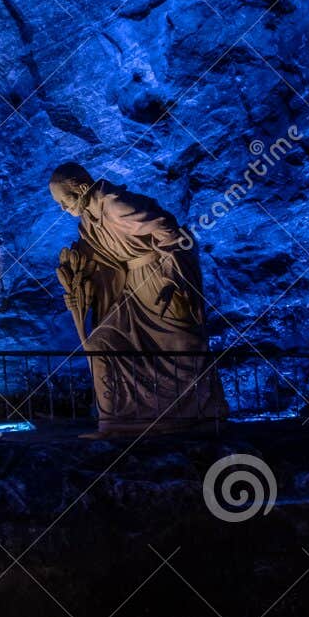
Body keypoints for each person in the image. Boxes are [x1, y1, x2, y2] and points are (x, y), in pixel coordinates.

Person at [49, 163, 227, 435]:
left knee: (181, 344)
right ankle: (117, 421)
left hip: (157, 278)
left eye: (64, 200)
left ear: (82, 188)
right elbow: (100, 261)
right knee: (101, 343)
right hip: (130, 289)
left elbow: (167, 228)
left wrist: (173, 277)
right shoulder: (89, 222)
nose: (63, 209)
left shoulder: (115, 205)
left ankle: (198, 412)